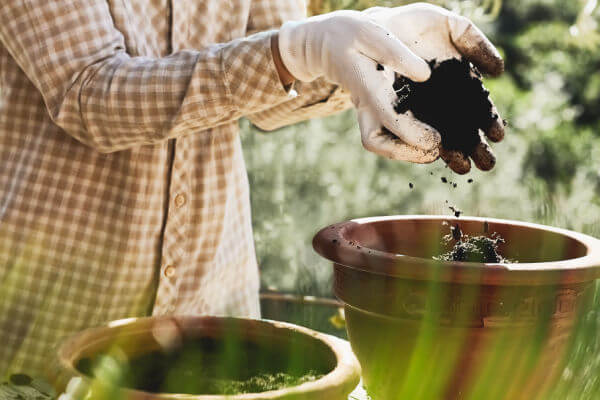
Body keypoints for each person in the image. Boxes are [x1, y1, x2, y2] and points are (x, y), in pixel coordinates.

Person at [0, 0, 505, 379]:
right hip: (60, 302)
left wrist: (368, 52)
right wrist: (294, 51)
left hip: (211, 293)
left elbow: (269, 88)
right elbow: (90, 94)